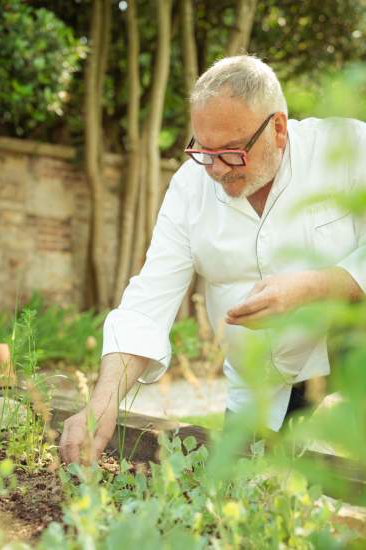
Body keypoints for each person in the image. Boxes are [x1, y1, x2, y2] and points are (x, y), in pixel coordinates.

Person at [60, 55, 365, 464]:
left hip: (348, 380)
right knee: (245, 508)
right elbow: (149, 302)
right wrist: (103, 402)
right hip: (258, 393)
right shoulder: (189, 189)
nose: (216, 169)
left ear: (277, 128)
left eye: (232, 152)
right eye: (204, 151)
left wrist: (315, 286)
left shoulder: (346, 150)